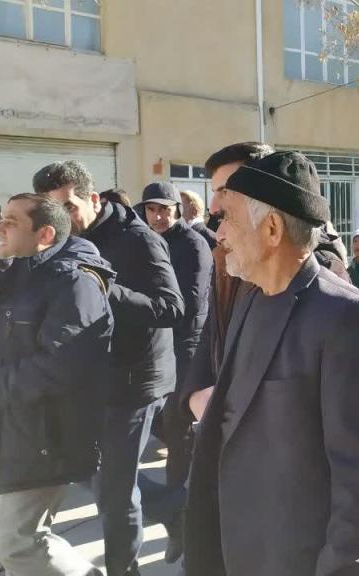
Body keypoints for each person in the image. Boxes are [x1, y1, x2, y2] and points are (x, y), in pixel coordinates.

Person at [184, 151, 359, 576]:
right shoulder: (250, 299)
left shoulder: (350, 317)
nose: (219, 233)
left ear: (272, 228)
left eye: (228, 219)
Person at [34, 160, 184, 576]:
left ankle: (124, 569)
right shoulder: (61, 240)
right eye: (53, 210)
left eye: (69, 206)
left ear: (94, 199)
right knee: (88, 469)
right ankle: (173, 506)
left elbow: (172, 307)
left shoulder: (138, 239)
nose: (62, 219)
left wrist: (105, 287)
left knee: (115, 493)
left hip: (137, 380)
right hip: (91, 378)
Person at [0, 194, 113, 576]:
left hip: (43, 435)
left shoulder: (74, 283)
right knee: (20, 541)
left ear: (45, 234)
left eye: (11, 222)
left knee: (17, 543)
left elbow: (59, 366)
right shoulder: (10, 276)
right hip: (4, 427)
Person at [181, 143, 351, 426]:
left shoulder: (325, 282)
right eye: (215, 192)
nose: (213, 206)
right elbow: (214, 331)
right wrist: (195, 395)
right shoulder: (229, 261)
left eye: (226, 191)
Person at [134, 181, 213, 561]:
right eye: (152, 209)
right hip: (151, 353)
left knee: (179, 435)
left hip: (185, 353)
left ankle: (184, 520)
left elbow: (192, 308)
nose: (158, 216)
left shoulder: (193, 244)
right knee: (168, 434)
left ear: (177, 210)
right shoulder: (146, 241)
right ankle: (179, 508)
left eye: (164, 209)